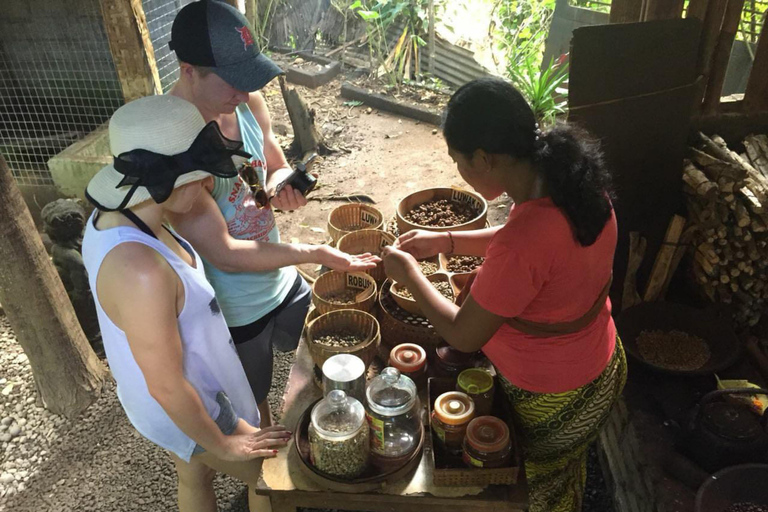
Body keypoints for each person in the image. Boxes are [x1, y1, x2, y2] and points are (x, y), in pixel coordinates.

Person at [382, 77, 627, 512]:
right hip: (600, 364)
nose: (459, 170)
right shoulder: (568, 181)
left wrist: (409, 272)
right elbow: (528, 236)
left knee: (538, 493)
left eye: (458, 160)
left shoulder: (523, 244)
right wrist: (449, 241)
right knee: (566, 471)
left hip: (555, 396)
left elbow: (463, 335)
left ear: (483, 158)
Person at [165, 0, 379, 427]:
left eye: (248, 80)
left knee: (332, 346)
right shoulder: (175, 146)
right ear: (189, 70)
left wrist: (281, 183)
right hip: (234, 308)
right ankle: (264, 482)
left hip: (280, 275)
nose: (243, 94)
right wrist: (314, 252)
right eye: (232, 83)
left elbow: (271, 159)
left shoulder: (245, 103)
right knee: (254, 405)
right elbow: (224, 253)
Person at [82, 95, 291, 512]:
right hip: (189, 399)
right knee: (272, 478)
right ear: (166, 180)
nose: (208, 184)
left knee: (192, 474)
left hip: (183, 385)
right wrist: (226, 443)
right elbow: (166, 384)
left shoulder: (116, 217)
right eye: (199, 175)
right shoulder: (141, 269)